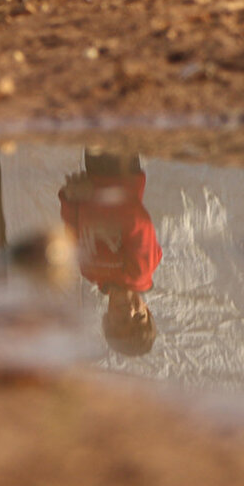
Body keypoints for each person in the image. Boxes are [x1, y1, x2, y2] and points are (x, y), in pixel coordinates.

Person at [59, 151, 161, 357]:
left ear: (107, 318)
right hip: (120, 172)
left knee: (94, 124)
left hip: (93, 172)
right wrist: (94, 194)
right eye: (139, 317)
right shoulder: (141, 269)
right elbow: (137, 219)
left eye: (122, 320)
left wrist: (70, 197)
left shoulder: (89, 271)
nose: (130, 312)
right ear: (147, 310)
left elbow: (72, 228)